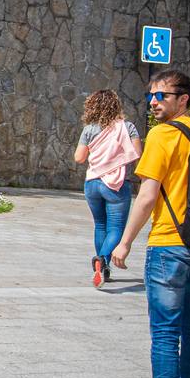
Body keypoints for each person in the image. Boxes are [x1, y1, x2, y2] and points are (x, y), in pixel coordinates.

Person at [111, 70, 190, 378]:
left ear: (183, 99)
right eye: (150, 94)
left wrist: (124, 243)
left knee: (166, 335)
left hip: (169, 245)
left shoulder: (162, 136)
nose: (153, 101)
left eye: (162, 95)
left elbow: (147, 196)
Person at [74, 89, 143, 288]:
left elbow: (79, 158)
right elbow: (137, 153)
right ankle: (102, 261)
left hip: (92, 183)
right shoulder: (127, 127)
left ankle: (103, 269)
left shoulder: (88, 129)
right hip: (116, 184)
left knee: (100, 225)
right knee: (116, 229)